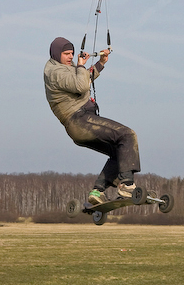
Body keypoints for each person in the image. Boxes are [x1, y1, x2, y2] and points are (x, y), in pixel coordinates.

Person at [43, 37, 140, 205]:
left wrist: (101, 63)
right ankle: (126, 185)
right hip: (79, 120)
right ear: (56, 54)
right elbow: (81, 86)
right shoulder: (55, 73)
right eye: (66, 54)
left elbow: (84, 79)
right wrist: (80, 65)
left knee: (120, 150)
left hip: (82, 123)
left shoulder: (65, 68)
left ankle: (98, 190)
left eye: (72, 53)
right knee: (127, 135)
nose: (70, 57)